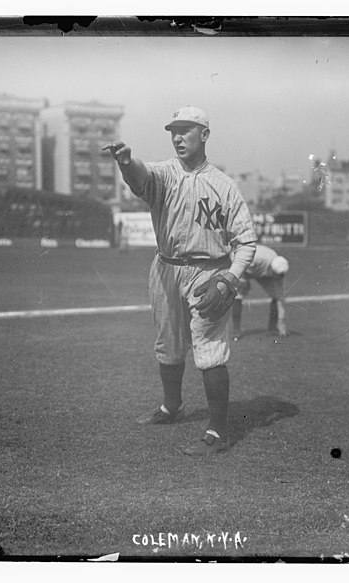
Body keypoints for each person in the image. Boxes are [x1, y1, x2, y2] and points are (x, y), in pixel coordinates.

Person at [102, 106, 257, 456]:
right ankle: (172, 408)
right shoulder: (165, 174)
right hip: (165, 268)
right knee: (168, 343)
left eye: (186, 130)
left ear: (204, 135)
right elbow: (142, 176)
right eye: (173, 130)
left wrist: (230, 278)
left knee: (209, 348)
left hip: (208, 271)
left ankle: (218, 432)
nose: (177, 137)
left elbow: (246, 242)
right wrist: (126, 162)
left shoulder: (224, 186)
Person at [231, 244, 290, 340]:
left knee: (277, 296)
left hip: (263, 272)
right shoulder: (255, 258)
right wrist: (243, 280)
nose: (278, 279)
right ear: (271, 269)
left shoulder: (279, 266)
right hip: (243, 267)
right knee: (238, 294)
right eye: (277, 275)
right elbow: (236, 260)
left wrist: (281, 321)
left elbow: (280, 298)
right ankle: (236, 331)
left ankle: (273, 328)